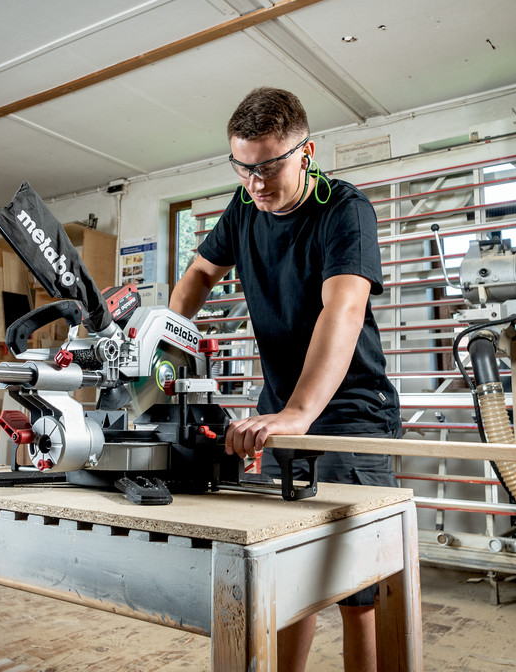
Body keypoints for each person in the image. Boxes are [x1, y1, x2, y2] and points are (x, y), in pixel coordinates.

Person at [170, 87, 402, 672]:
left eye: (269, 167)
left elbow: (343, 310)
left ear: (306, 153)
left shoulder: (344, 209)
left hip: (351, 412)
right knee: (290, 578)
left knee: (358, 591)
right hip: (280, 410)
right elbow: (200, 273)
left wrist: (299, 413)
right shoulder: (245, 203)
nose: (256, 183)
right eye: (243, 167)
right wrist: (164, 341)